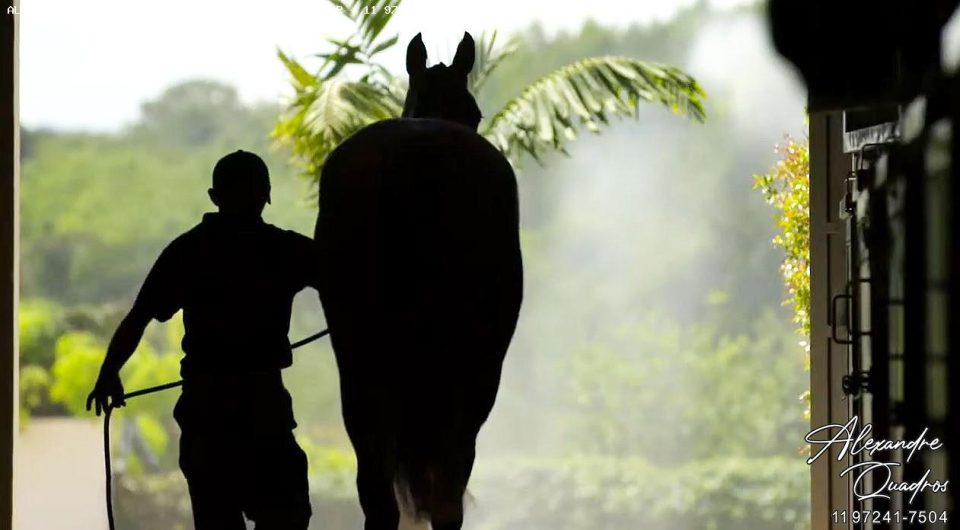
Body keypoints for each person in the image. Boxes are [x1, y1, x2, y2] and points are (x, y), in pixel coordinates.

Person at [86, 149, 319, 529]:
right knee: (287, 516)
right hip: (265, 412)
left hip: (207, 417)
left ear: (214, 196)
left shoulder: (188, 251)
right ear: (267, 194)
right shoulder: (286, 250)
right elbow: (352, 284)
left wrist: (109, 373)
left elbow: (139, 317)